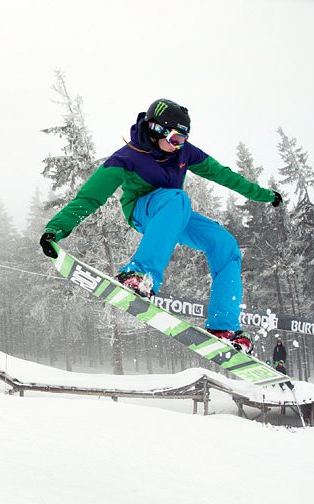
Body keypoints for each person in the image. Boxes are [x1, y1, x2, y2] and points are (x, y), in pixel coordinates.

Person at [39, 98, 282, 354]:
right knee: (178, 198)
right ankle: (139, 274)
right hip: (142, 211)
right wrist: (55, 230)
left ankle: (224, 327)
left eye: (184, 140)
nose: (180, 146)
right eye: (176, 139)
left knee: (224, 244)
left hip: (175, 212)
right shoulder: (127, 158)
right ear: (156, 129)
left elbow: (223, 174)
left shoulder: (184, 152)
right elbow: (89, 197)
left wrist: (263, 195)